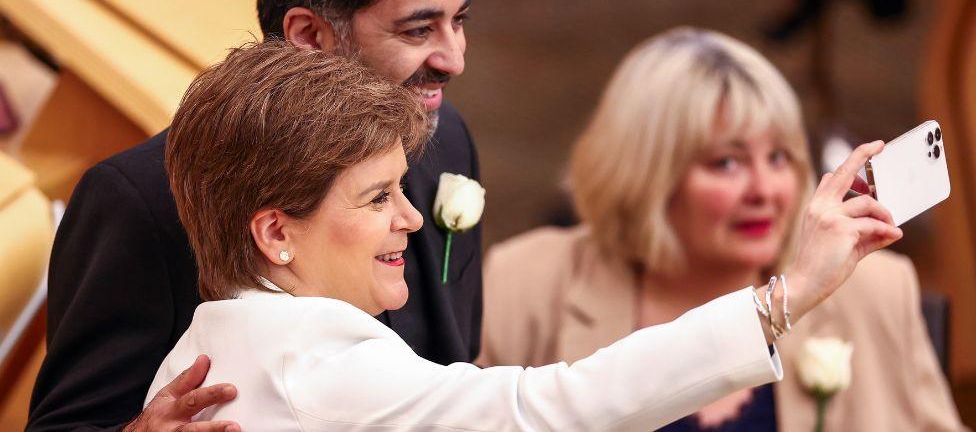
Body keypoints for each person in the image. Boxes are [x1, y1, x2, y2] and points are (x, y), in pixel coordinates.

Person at [150, 39, 899, 429]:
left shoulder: (193, 360)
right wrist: (786, 296)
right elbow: (557, 407)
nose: (410, 219)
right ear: (276, 232)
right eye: (379, 197)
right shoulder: (321, 368)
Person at [28, 0, 478, 430]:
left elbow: (460, 352)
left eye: (460, 21)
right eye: (418, 29)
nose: (453, 58)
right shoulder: (142, 198)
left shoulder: (445, 135)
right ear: (308, 35)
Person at [478, 28, 965, 431]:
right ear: (645, 175)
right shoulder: (527, 284)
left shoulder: (875, 290)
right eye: (727, 163)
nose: (765, 190)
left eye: (778, 157)